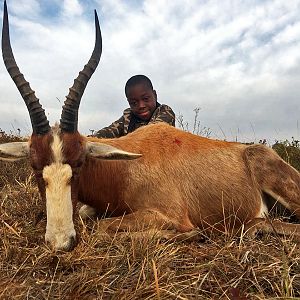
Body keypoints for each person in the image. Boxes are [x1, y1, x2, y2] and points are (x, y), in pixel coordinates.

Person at [95, 75, 175, 138]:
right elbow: (107, 132)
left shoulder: (165, 112)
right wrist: (87, 141)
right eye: (134, 103)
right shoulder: (128, 117)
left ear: (154, 95)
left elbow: (152, 135)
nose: (141, 106)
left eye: (146, 99)